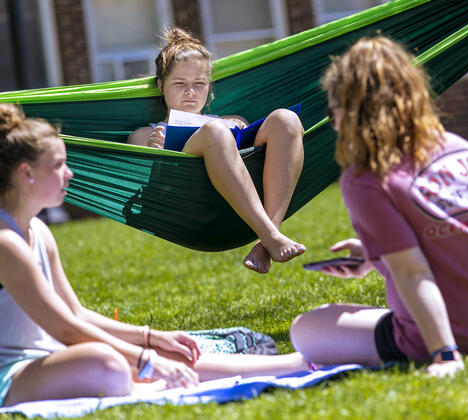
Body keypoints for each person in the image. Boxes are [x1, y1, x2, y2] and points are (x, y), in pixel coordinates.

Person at [0, 103, 314, 407]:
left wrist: (153, 339)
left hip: (52, 360)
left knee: (169, 355)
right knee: (108, 363)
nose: (69, 174)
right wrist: (146, 358)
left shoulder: (39, 233)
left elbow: (77, 314)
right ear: (26, 173)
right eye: (58, 165)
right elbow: (65, 328)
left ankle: (299, 363)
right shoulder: (6, 243)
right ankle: (149, 377)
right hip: (12, 374)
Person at [289, 36, 468, 377]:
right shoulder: (460, 148)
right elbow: (460, 238)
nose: (333, 125)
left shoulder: (367, 179)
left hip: (459, 335)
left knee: (306, 328)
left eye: (333, 112)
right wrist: (373, 255)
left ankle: (440, 345)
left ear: (354, 112)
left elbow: (413, 272)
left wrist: (445, 354)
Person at [128, 27, 305, 274]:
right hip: (191, 208)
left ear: (209, 88)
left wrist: (234, 128)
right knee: (215, 131)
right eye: (179, 83)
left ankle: (267, 238)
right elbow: (139, 189)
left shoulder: (232, 121)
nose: (190, 91)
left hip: (238, 193)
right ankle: (270, 235)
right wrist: (154, 155)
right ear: (161, 85)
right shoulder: (144, 136)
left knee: (286, 120)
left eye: (199, 83)